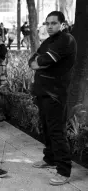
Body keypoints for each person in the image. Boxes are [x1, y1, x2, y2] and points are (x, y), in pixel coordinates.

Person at [29, 11, 76, 186]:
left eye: (54, 23)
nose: (49, 26)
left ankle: (64, 171)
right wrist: (39, 62)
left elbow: (42, 61)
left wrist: (39, 62)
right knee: (46, 128)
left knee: (57, 131)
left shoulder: (66, 40)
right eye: (47, 23)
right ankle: (49, 158)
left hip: (55, 94)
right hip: (42, 92)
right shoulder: (49, 41)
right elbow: (32, 60)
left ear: (62, 24)